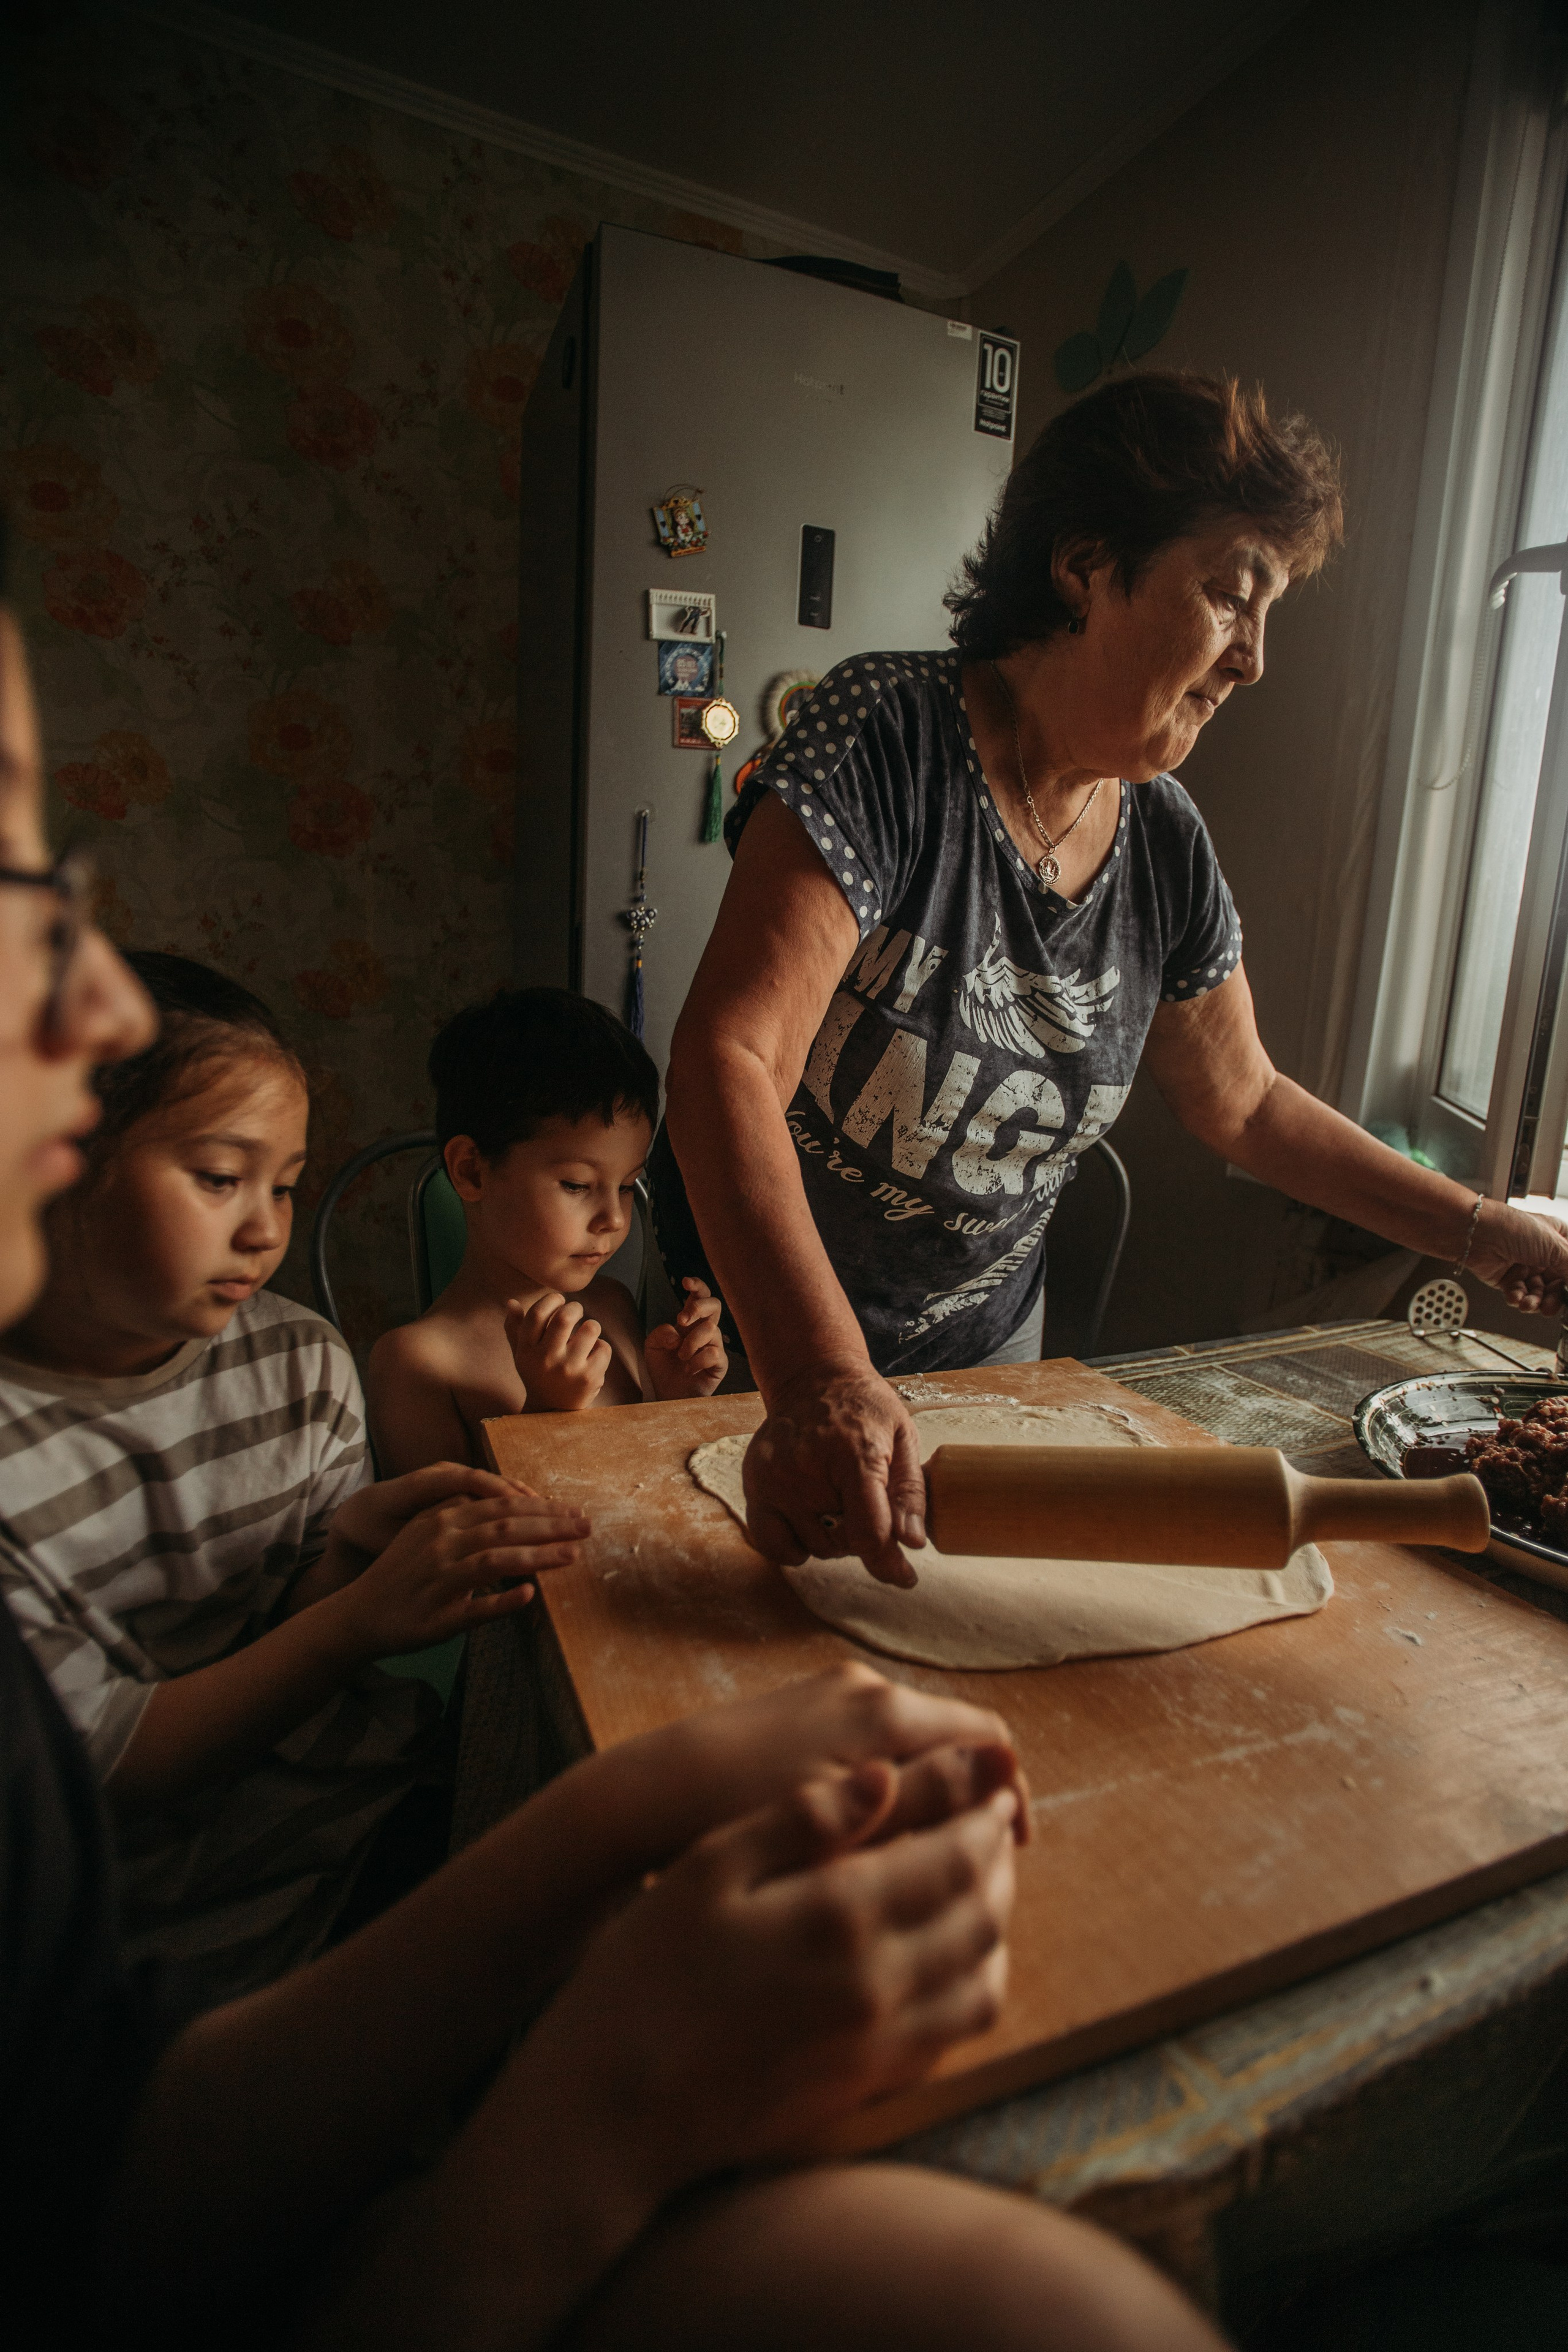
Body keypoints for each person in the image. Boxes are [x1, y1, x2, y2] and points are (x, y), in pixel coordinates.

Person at [0, 590, 1229, 2351]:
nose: (98, 987)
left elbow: (110, 2150)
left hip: (339, 1870)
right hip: (297, 1896)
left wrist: (619, 1795)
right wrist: (608, 2077)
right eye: (13, 874)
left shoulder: (278, 1364)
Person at [652, 371, 1568, 1589]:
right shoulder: (884, 733)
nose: (1250, 660)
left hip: (983, 1370)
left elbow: (1242, 1105)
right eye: (1229, 596)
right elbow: (732, 1060)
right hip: (750, 1358)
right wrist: (816, 1381)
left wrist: (1484, 1233)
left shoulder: (1165, 844)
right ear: (1085, 565)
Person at [0, 948, 587, 1997]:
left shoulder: (299, 1360)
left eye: (285, 1183)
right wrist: (355, 1623)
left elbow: (285, 1615)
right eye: (221, 1178)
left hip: (352, 1820)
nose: (266, 1227)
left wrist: (349, 1564)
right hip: (141, 1928)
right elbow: (107, 1774)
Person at [368, 986, 726, 1476]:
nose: (615, 1219)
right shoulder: (416, 1363)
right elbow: (443, 1543)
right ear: (472, 1172)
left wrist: (672, 1398)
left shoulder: (612, 1308)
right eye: (577, 1185)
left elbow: (643, 1488)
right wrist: (544, 1411)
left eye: (626, 1185)